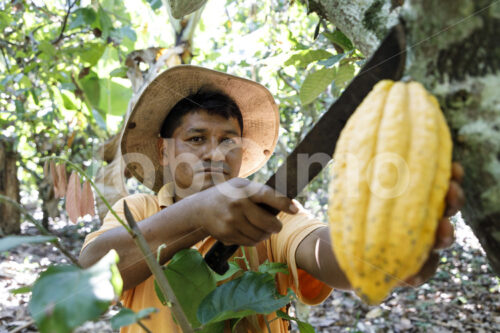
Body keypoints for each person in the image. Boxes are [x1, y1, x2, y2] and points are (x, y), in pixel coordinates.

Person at [79, 65, 465, 332]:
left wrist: (389, 244)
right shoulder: (139, 211)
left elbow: (328, 254)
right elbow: (89, 276)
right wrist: (195, 215)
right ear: (164, 152)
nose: (215, 153)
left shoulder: (266, 211)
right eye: (197, 139)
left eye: (228, 140)